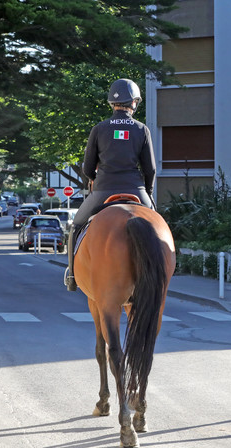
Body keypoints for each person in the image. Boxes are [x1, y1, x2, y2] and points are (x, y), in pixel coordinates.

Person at [65, 78, 156, 291]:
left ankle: (72, 275)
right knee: (158, 225)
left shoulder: (99, 129)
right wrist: (148, 192)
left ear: (112, 103)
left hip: (103, 190)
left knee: (76, 226)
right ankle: (164, 268)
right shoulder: (142, 129)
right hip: (136, 190)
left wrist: (92, 179)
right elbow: (150, 169)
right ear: (134, 102)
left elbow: (87, 168)